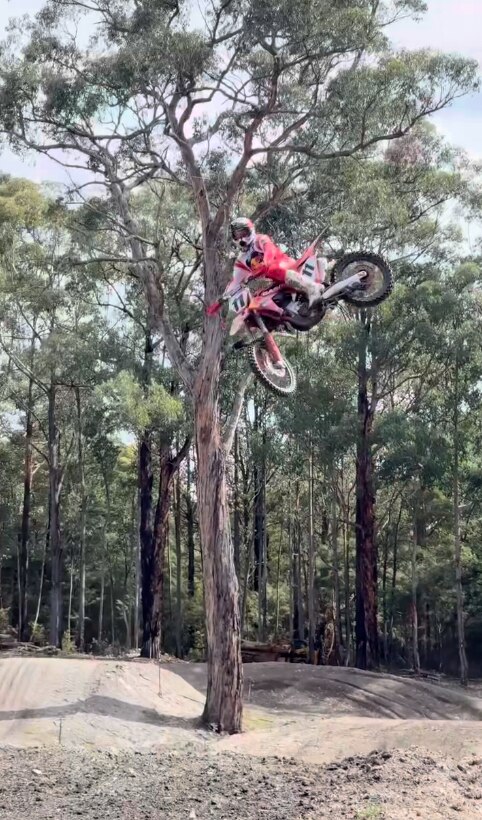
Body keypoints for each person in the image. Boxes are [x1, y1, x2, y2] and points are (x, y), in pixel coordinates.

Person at [230, 217, 324, 307]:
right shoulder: (240, 260)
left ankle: (312, 288)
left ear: (251, 230)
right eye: (238, 235)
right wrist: (222, 300)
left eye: (244, 233)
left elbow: (269, 250)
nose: (241, 238)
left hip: (283, 265)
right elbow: (235, 281)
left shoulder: (260, 239)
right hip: (269, 281)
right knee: (255, 296)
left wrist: (266, 262)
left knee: (273, 270)